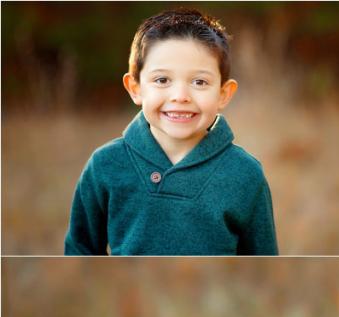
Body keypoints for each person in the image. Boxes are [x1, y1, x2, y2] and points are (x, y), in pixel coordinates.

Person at [64, 8, 278, 255]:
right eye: (162, 80)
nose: (180, 97)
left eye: (199, 82)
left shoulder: (245, 175)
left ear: (223, 94)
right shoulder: (105, 165)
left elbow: (263, 266)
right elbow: (80, 253)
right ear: (135, 88)